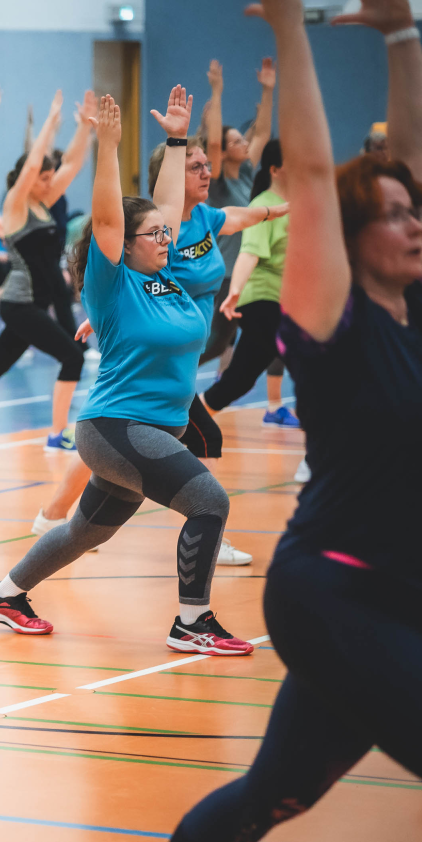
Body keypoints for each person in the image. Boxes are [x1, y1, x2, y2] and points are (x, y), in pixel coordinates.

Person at [140, 0, 422, 842]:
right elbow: (318, 178)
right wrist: (291, 29)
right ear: (353, 240)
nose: (416, 224)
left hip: (411, 600)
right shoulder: (333, 315)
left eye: (418, 214)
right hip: (338, 596)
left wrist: (404, 34)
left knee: (275, 790)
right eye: (396, 215)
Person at [0, 87, 255, 658]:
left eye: (165, 232)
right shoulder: (113, 279)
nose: (165, 237)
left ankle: (5, 595)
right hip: (118, 429)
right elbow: (108, 214)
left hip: (151, 430)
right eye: (152, 233)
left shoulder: (165, 274)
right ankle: (192, 621)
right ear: (121, 245)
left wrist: (177, 140)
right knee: (210, 502)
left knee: (87, 531)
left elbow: (168, 209)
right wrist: (108, 145)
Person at [138, 128, 289, 567]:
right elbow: (129, 275)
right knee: (205, 438)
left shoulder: (206, 218)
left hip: (183, 361)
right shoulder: (156, 230)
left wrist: (278, 209)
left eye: (207, 165)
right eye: (195, 167)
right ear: (169, 176)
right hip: (158, 363)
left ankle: (53, 517)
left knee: (115, 464)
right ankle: (210, 537)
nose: (207, 172)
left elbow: (240, 217)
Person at [0, 90, 94, 452]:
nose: (49, 181)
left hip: (33, 305)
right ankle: (57, 434)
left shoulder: (44, 203)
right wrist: (51, 123)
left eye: (49, 177)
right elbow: (31, 167)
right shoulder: (16, 205)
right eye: (43, 177)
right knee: (72, 355)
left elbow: (72, 164)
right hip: (19, 303)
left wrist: (86, 128)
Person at [204, 140, 298, 424]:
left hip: (284, 302)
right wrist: (235, 291)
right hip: (262, 301)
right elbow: (249, 252)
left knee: (239, 379)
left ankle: (187, 422)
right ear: (276, 169)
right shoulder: (263, 205)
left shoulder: (296, 205)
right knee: (313, 365)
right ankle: (180, 424)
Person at [197, 56, 276, 368]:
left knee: (258, 337)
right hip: (224, 275)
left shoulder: (245, 173)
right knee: (215, 345)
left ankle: (221, 387)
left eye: (243, 139)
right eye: (237, 140)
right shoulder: (215, 180)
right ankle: (166, 383)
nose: (245, 143)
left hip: (247, 272)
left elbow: (263, 134)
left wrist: (268, 91)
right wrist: (217, 92)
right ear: (226, 150)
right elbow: (213, 142)